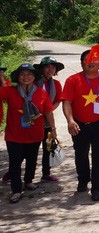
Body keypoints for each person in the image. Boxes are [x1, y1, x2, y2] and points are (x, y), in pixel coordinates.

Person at [61, 50, 99, 201]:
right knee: (81, 155)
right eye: (87, 59)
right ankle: (83, 180)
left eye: (96, 59)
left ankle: (97, 188)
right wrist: (70, 120)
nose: (92, 62)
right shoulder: (73, 80)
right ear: (82, 62)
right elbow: (67, 102)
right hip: (79, 124)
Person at [0, 63, 57, 204]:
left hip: (35, 134)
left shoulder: (41, 92)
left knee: (32, 160)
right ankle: (16, 190)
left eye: (29, 74)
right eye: (22, 74)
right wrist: (1, 77)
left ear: (34, 77)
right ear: (18, 77)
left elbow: (48, 111)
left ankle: (29, 181)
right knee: (15, 162)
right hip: (14, 135)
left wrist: (53, 129)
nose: (26, 77)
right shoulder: (10, 91)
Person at [34, 56, 64, 183]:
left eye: (53, 67)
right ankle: (14, 171)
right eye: (47, 67)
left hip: (47, 120)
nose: (50, 70)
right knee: (29, 149)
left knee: (48, 148)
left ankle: (46, 173)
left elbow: (58, 100)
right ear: (41, 68)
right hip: (33, 120)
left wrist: (49, 109)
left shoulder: (56, 84)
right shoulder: (34, 82)